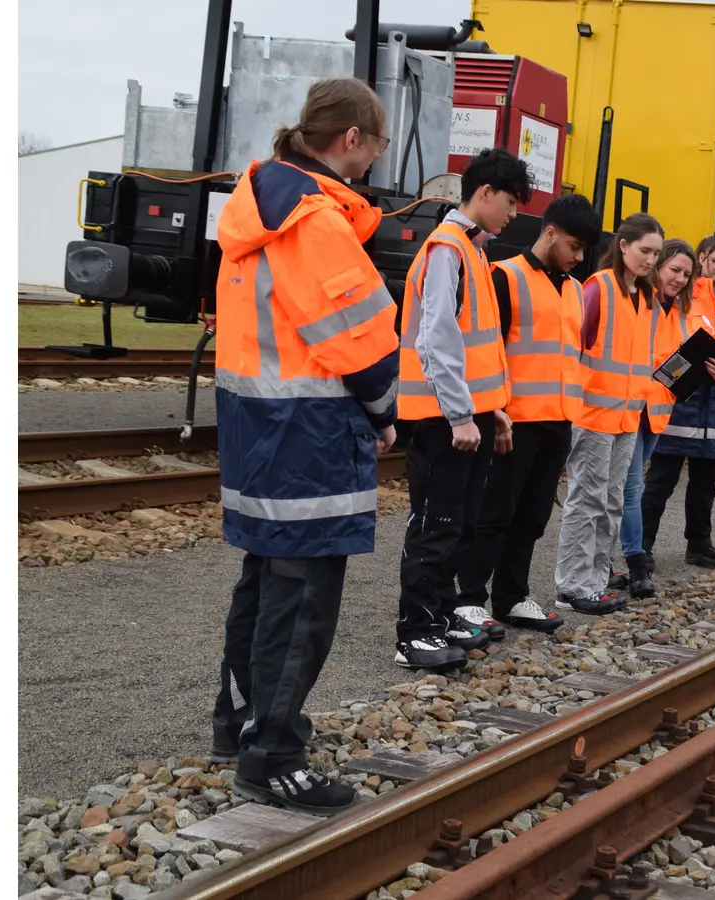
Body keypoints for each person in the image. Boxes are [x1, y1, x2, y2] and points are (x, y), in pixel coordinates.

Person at [209, 77, 400, 815]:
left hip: (256, 425)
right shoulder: (314, 219)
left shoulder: (255, 204)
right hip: (311, 433)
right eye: (376, 144)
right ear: (351, 139)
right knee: (302, 600)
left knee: (264, 581)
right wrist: (384, 412)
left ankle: (238, 724)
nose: (375, 158)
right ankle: (274, 756)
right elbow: (357, 336)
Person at [394, 148, 533, 671]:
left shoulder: (472, 251)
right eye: (511, 203)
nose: (513, 214)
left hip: (466, 415)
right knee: (436, 525)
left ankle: (442, 613)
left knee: (459, 523)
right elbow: (436, 339)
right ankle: (415, 632)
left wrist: (490, 408)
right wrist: (459, 415)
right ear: (485, 193)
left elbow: (476, 347)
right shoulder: (448, 250)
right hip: (442, 419)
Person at [453, 194, 602, 635]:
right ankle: (469, 599)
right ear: (550, 233)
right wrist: (495, 410)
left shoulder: (573, 289)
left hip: (557, 421)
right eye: (574, 246)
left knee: (533, 516)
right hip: (513, 422)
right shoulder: (507, 277)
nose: (579, 258)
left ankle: (512, 597)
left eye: (584, 250)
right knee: (495, 513)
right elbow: (487, 350)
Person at [554, 212, 665, 612]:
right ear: (623, 246)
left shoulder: (647, 298)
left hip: (626, 417)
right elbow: (572, 349)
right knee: (587, 501)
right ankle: (572, 586)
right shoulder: (598, 288)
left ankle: (595, 581)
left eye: (656, 253)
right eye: (644, 250)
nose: (650, 259)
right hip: (593, 415)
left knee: (612, 501)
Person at [638, 234, 715, 568]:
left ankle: (699, 545)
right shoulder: (685, 294)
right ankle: (640, 548)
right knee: (661, 479)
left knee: (706, 483)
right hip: (681, 397)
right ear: (701, 258)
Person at [610, 239, 698, 598]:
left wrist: (699, 367)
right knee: (631, 489)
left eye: (686, 274)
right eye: (674, 269)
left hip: (656, 413)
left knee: (624, 489)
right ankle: (637, 564)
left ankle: (604, 563)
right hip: (631, 407)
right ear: (658, 266)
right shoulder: (639, 303)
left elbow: (671, 364)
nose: (679, 278)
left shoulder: (679, 312)